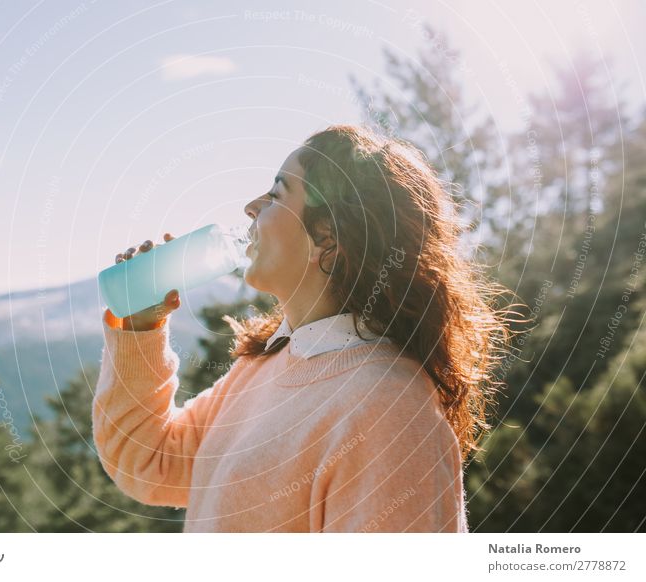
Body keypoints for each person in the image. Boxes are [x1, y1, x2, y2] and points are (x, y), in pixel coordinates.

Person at [92, 124, 510, 532]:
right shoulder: (268, 366)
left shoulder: (388, 408)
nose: (251, 208)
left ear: (326, 237)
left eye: (275, 194)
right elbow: (148, 463)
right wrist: (141, 328)